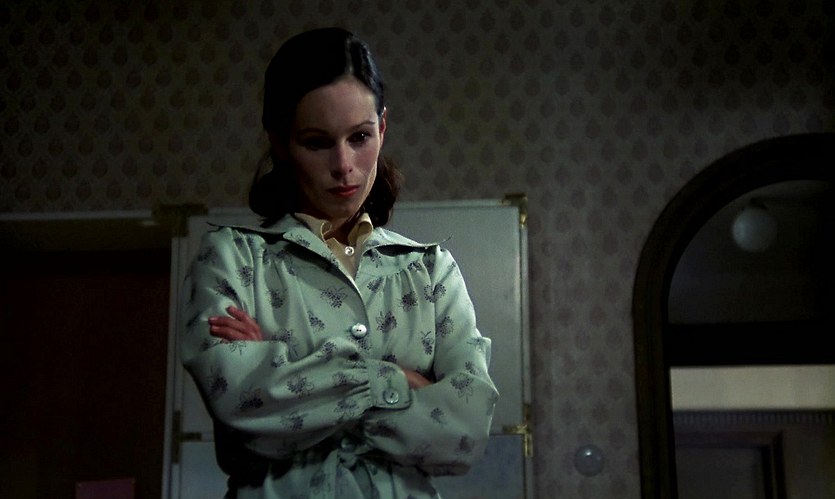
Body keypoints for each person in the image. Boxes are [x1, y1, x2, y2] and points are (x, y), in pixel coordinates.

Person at [180, 27, 499, 499]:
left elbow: (465, 431)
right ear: (280, 141)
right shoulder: (232, 257)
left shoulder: (430, 270)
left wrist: (289, 370)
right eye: (317, 142)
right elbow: (241, 401)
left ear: (383, 129)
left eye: (360, 137)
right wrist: (404, 383)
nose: (344, 165)